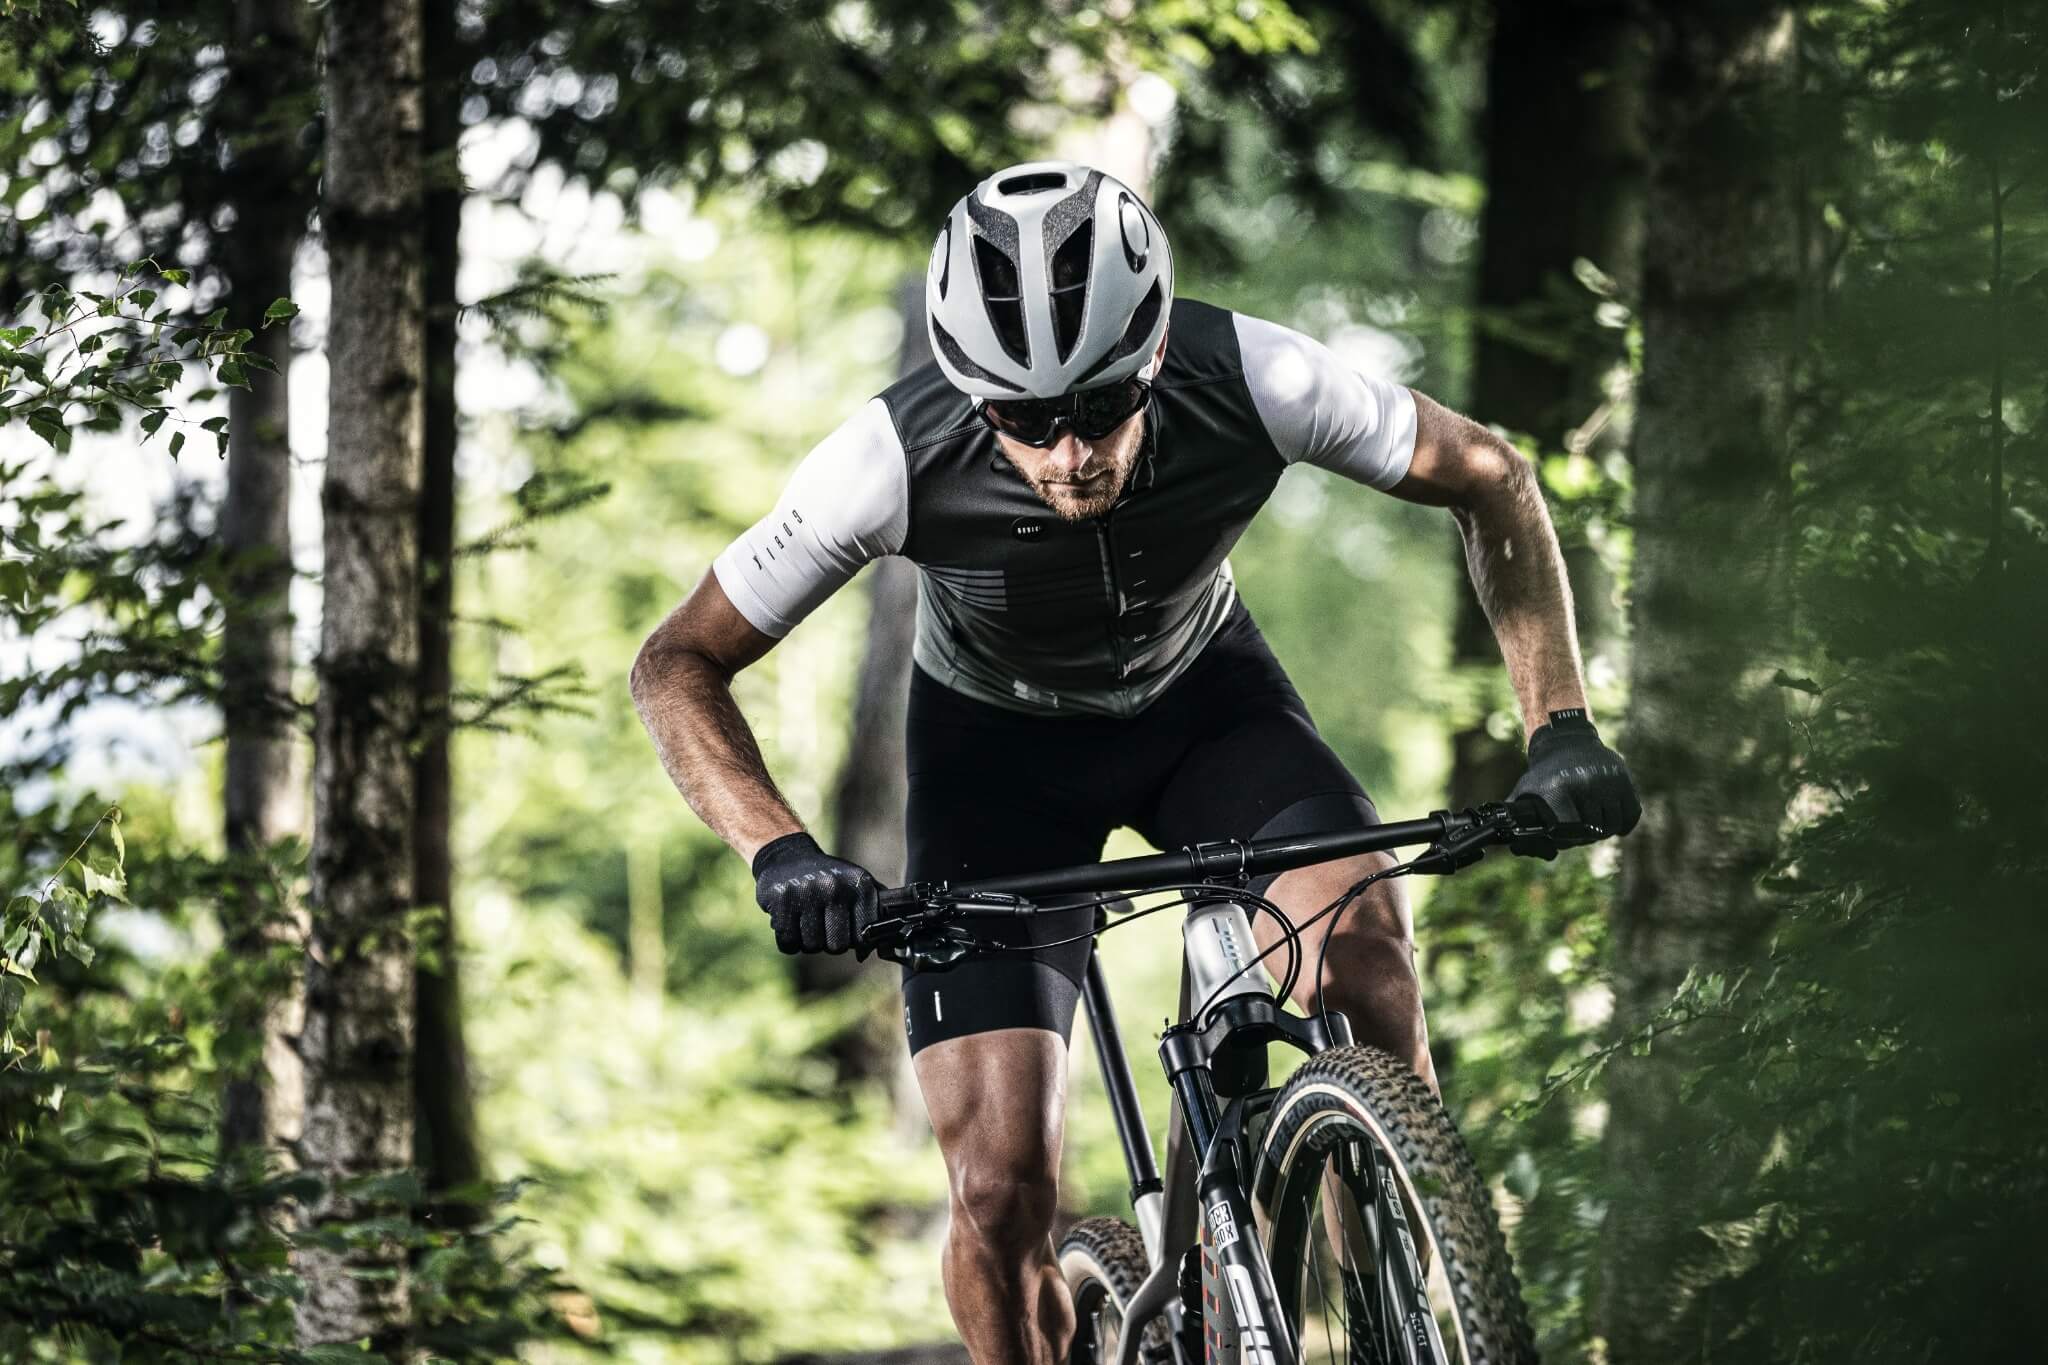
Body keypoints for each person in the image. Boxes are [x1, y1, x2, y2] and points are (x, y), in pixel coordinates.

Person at [630, 161, 1639, 1365]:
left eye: (1097, 406)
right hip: (993, 763)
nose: (1066, 455)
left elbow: (1489, 477)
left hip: (1204, 712)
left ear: (1152, 355)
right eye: (1019, 420)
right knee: (1001, 1192)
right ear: (969, 393)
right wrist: (779, 848)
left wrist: (1559, 724)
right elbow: (677, 663)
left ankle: (1396, 1322)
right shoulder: (885, 460)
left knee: (1367, 966)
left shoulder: (1257, 377)